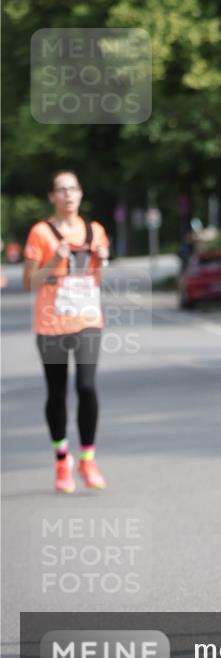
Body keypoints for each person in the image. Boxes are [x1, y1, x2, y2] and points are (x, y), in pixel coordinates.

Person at [23, 171, 110, 494]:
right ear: (52, 197)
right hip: (51, 323)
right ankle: (62, 460)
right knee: (57, 392)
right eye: (61, 190)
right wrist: (53, 262)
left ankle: (87, 458)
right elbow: (29, 281)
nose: (68, 195)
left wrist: (100, 261)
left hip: (87, 319)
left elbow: (95, 279)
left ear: (81, 194)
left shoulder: (95, 230)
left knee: (86, 387)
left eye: (73, 189)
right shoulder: (40, 233)